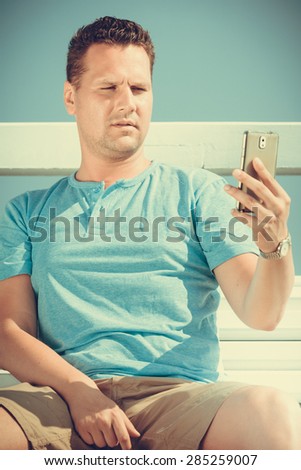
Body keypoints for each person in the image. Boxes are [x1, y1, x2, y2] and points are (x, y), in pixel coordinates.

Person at [0, 16, 300, 451]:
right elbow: (10, 332)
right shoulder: (27, 211)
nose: (128, 103)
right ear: (71, 97)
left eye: (139, 89)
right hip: (60, 400)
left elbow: (262, 314)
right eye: (108, 88)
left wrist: (275, 245)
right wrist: (79, 391)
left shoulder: (198, 192)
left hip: (181, 399)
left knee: (275, 419)